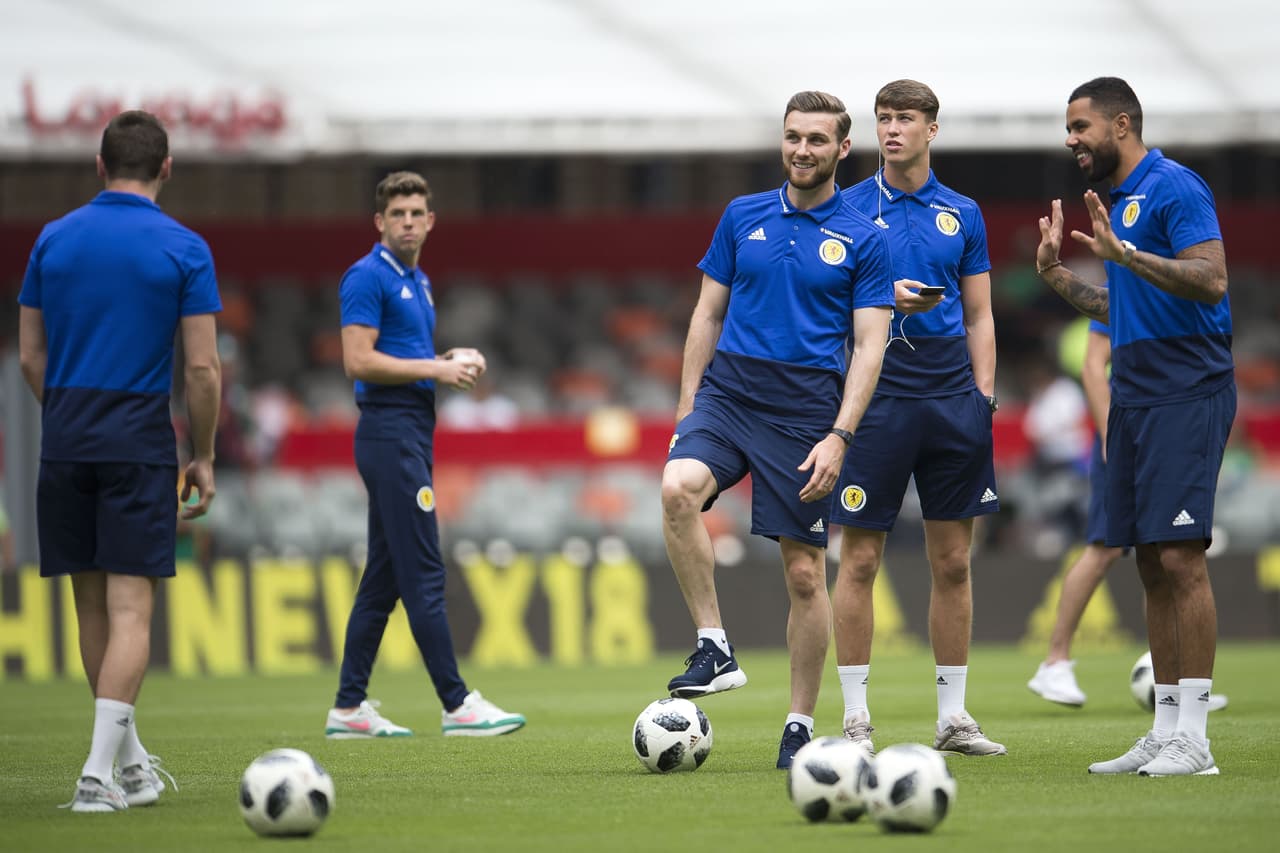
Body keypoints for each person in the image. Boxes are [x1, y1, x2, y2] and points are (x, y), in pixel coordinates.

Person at [661, 91, 894, 769]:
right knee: (677, 488)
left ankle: (797, 724)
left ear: (842, 150)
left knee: (801, 573)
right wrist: (686, 407)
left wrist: (840, 434)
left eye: (817, 140)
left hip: (805, 410)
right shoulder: (742, 216)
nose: (801, 150)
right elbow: (706, 314)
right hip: (730, 392)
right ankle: (715, 645)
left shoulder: (864, 237)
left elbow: (871, 347)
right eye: (793, 137)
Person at [18, 110, 222, 811]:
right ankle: (95, 776)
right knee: (133, 610)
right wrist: (203, 453)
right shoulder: (184, 246)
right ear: (166, 167)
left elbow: (29, 354)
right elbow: (200, 368)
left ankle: (129, 765)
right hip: (137, 438)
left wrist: (71, 411)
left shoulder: (53, 238)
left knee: (91, 608)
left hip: (66, 434)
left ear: (99, 166)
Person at [1036, 77, 1234, 776]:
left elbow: (1210, 280)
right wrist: (1060, 276)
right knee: (1150, 560)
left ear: (1121, 125)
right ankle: (1165, 729)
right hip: (1138, 394)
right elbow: (1123, 307)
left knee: (1181, 558)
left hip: (1188, 388)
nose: (1071, 139)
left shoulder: (1175, 186)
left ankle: (1198, 742)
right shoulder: (1117, 203)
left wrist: (1130, 256)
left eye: (1079, 125)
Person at [829, 79, 1006, 758]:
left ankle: (954, 718)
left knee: (954, 561)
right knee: (860, 557)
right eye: (883, 119)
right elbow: (829, 309)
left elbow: (981, 312)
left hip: (951, 401)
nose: (892, 129)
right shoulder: (844, 210)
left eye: (905, 118)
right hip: (875, 403)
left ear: (932, 129)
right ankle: (855, 718)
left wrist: (982, 395)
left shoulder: (962, 212)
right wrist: (883, 302)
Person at [325, 171, 525, 740]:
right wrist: (438, 369)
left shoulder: (418, 281)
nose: (408, 221)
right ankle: (456, 703)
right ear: (380, 222)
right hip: (389, 435)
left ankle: (348, 706)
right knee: (424, 569)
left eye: (417, 213)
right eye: (398, 214)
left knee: (384, 577)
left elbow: (399, 355)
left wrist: (445, 356)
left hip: (409, 432)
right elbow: (358, 361)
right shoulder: (366, 277)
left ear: (430, 221)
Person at [1027, 324, 1230, 713]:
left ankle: (1183, 679)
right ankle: (1055, 660)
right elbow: (1092, 364)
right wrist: (1109, 433)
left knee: (1159, 554)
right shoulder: (1124, 284)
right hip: (1124, 435)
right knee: (1104, 548)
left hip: (1157, 429)